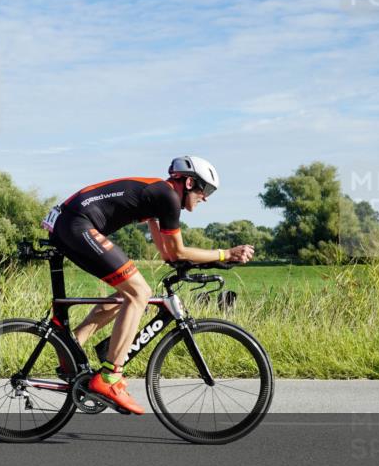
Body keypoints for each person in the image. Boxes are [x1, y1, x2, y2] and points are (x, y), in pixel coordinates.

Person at [42, 156, 254, 414]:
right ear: (188, 182)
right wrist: (225, 254)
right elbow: (178, 251)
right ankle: (110, 377)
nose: (206, 197)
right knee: (139, 292)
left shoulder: (158, 199)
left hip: (69, 222)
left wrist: (205, 263)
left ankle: (71, 348)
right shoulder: (168, 196)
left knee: (130, 293)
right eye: (204, 189)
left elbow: (168, 255)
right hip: (77, 223)